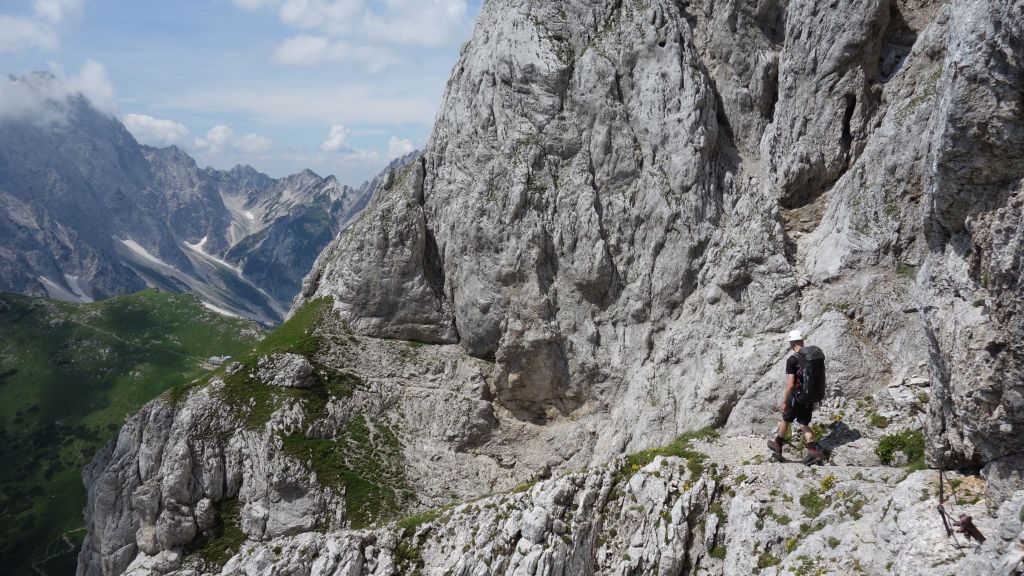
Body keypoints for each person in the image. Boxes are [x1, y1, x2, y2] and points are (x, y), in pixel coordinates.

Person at [768, 330, 822, 464]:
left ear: (792, 343)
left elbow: (791, 384)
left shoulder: (792, 360)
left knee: (786, 419)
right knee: (804, 423)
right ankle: (813, 452)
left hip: (796, 397)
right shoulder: (811, 358)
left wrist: (785, 401)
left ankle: (778, 445)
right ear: (802, 342)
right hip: (809, 397)